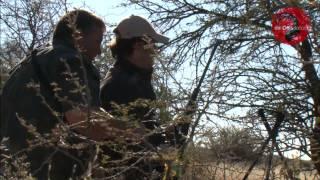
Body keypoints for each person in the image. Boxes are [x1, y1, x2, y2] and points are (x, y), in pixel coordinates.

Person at [0, 9, 110, 179]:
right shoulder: (71, 60)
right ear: (78, 36)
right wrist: (133, 132)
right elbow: (83, 121)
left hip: (10, 167)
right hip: (42, 168)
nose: (99, 51)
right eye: (98, 41)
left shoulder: (29, 62)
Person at [100, 15, 171, 179]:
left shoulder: (135, 79)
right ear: (139, 45)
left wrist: (165, 134)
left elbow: (145, 127)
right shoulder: (119, 84)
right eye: (154, 45)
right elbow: (129, 143)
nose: (156, 51)